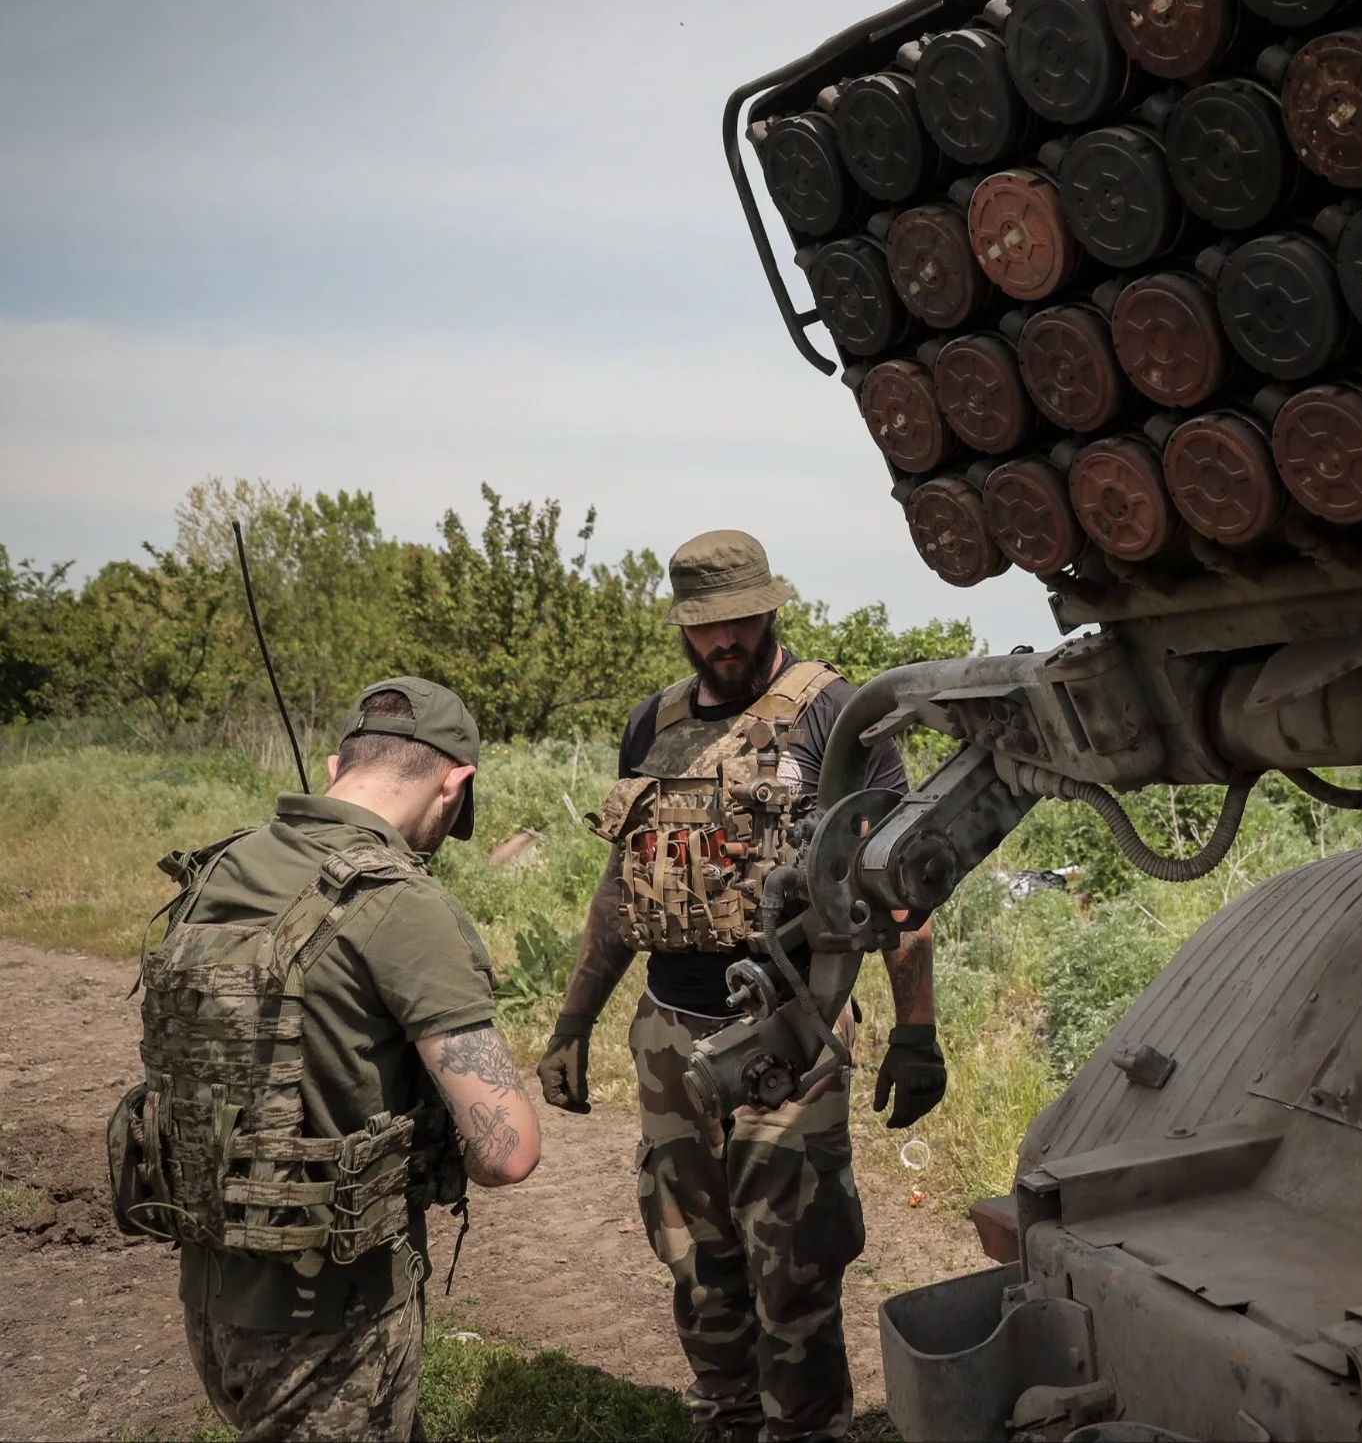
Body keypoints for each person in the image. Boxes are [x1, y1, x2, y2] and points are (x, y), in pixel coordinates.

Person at [535, 529, 944, 1443]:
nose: (725, 640)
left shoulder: (836, 713)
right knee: (696, 1261)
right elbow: (622, 884)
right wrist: (573, 1023)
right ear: (684, 627)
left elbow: (902, 883)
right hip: (668, 1035)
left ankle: (802, 1430)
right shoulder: (652, 722)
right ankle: (723, 1418)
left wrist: (917, 1033)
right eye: (706, 626)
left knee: (794, 1271)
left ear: (770, 608)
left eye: (740, 621)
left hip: (788, 1037)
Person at [119, 678, 541, 1443]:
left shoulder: (220, 867)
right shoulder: (401, 902)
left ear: (334, 762)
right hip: (334, 1323)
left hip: (211, 1297)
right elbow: (508, 1151)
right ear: (456, 782)